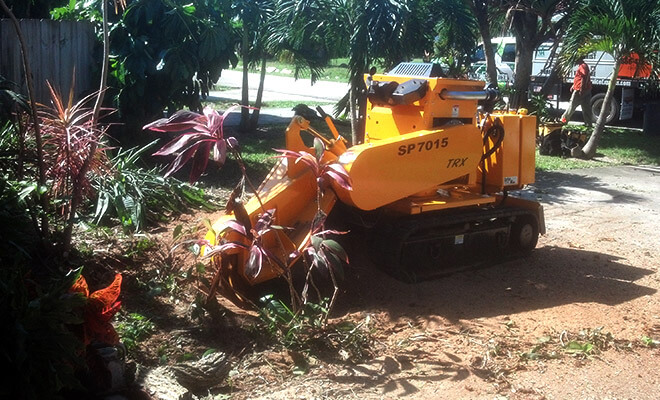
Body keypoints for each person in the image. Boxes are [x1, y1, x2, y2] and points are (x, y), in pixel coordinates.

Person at [561, 57, 593, 127]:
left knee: (571, 106)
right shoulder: (583, 66)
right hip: (585, 89)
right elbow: (580, 78)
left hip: (579, 90)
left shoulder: (582, 66)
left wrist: (581, 89)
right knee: (586, 107)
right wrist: (573, 85)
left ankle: (563, 121)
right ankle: (588, 124)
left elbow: (584, 77)